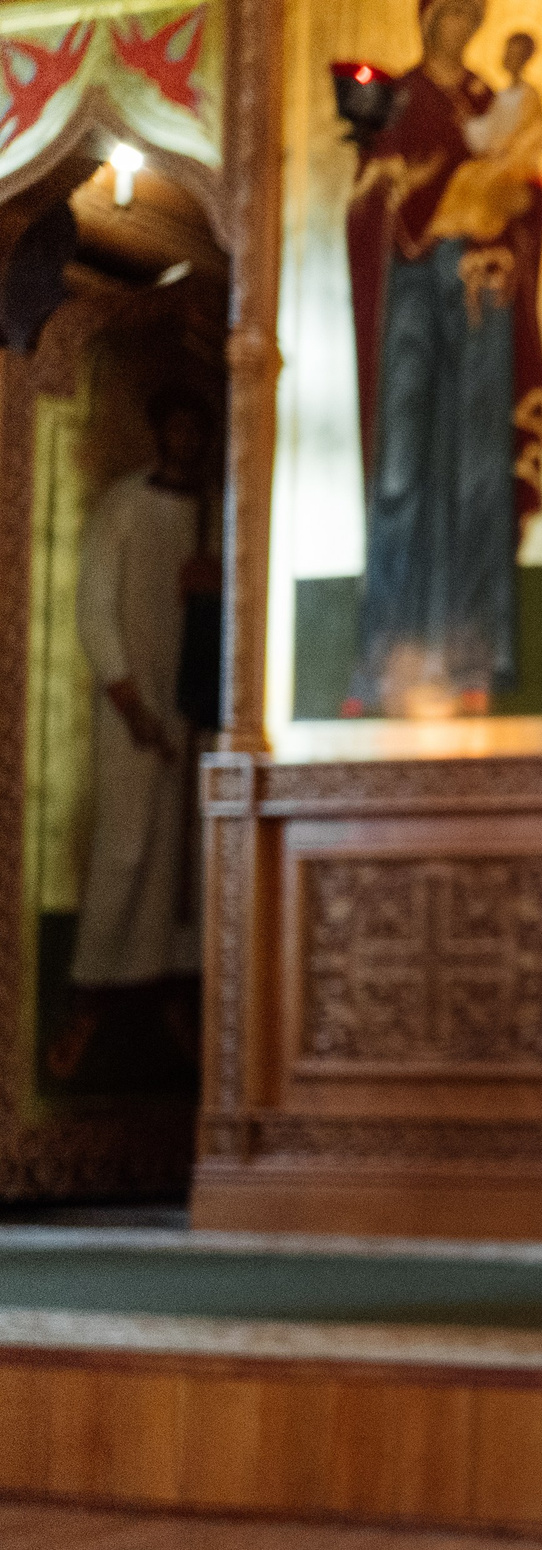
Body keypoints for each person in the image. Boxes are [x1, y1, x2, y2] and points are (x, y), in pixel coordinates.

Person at [343, 0, 542, 717]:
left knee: (479, 466)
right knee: (401, 464)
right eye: (449, 9)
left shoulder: (492, 102)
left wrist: (510, 203)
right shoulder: (392, 100)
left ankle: (474, 654)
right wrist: (412, 187)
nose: (460, 23)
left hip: (480, 289)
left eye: (472, 11)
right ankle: (382, 658)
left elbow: (527, 193)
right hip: (408, 288)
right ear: (425, 16)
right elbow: (366, 201)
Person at [49, 388, 215, 1079]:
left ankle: (174, 998)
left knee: (189, 865)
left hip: (197, 709)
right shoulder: (122, 505)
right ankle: (87, 1008)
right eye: (173, 420)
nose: (183, 435)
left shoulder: (216, 513)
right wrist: (132, 704)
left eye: (193, 424)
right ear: (158, 428)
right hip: (133, 714)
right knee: (126, 848)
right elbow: (95, 610)